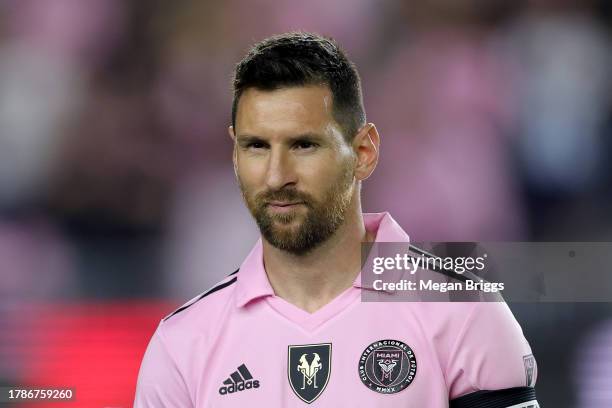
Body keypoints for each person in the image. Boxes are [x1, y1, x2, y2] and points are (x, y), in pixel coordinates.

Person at [134, 32, 539, 407]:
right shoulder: (182, 344)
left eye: (304, 145)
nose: (276, 175)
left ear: (363, 152)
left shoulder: (464, 311)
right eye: (256, 146)